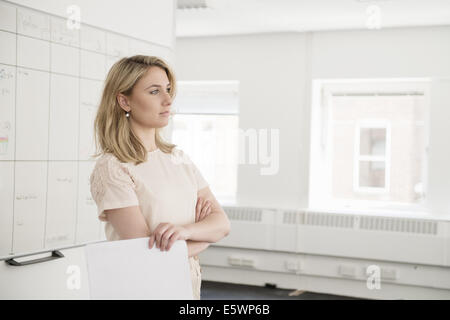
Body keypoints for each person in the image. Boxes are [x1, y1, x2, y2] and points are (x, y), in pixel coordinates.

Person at [89, 55, 231, 300]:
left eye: (168, 90)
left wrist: (185, 232)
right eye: (154, 91)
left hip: (187, 284)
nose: (168, 100)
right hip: (142, 289)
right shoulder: (113, 167)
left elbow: (222, 224)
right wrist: (204, 239)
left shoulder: (178, 157)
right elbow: (149, 254)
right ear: (124, 101)